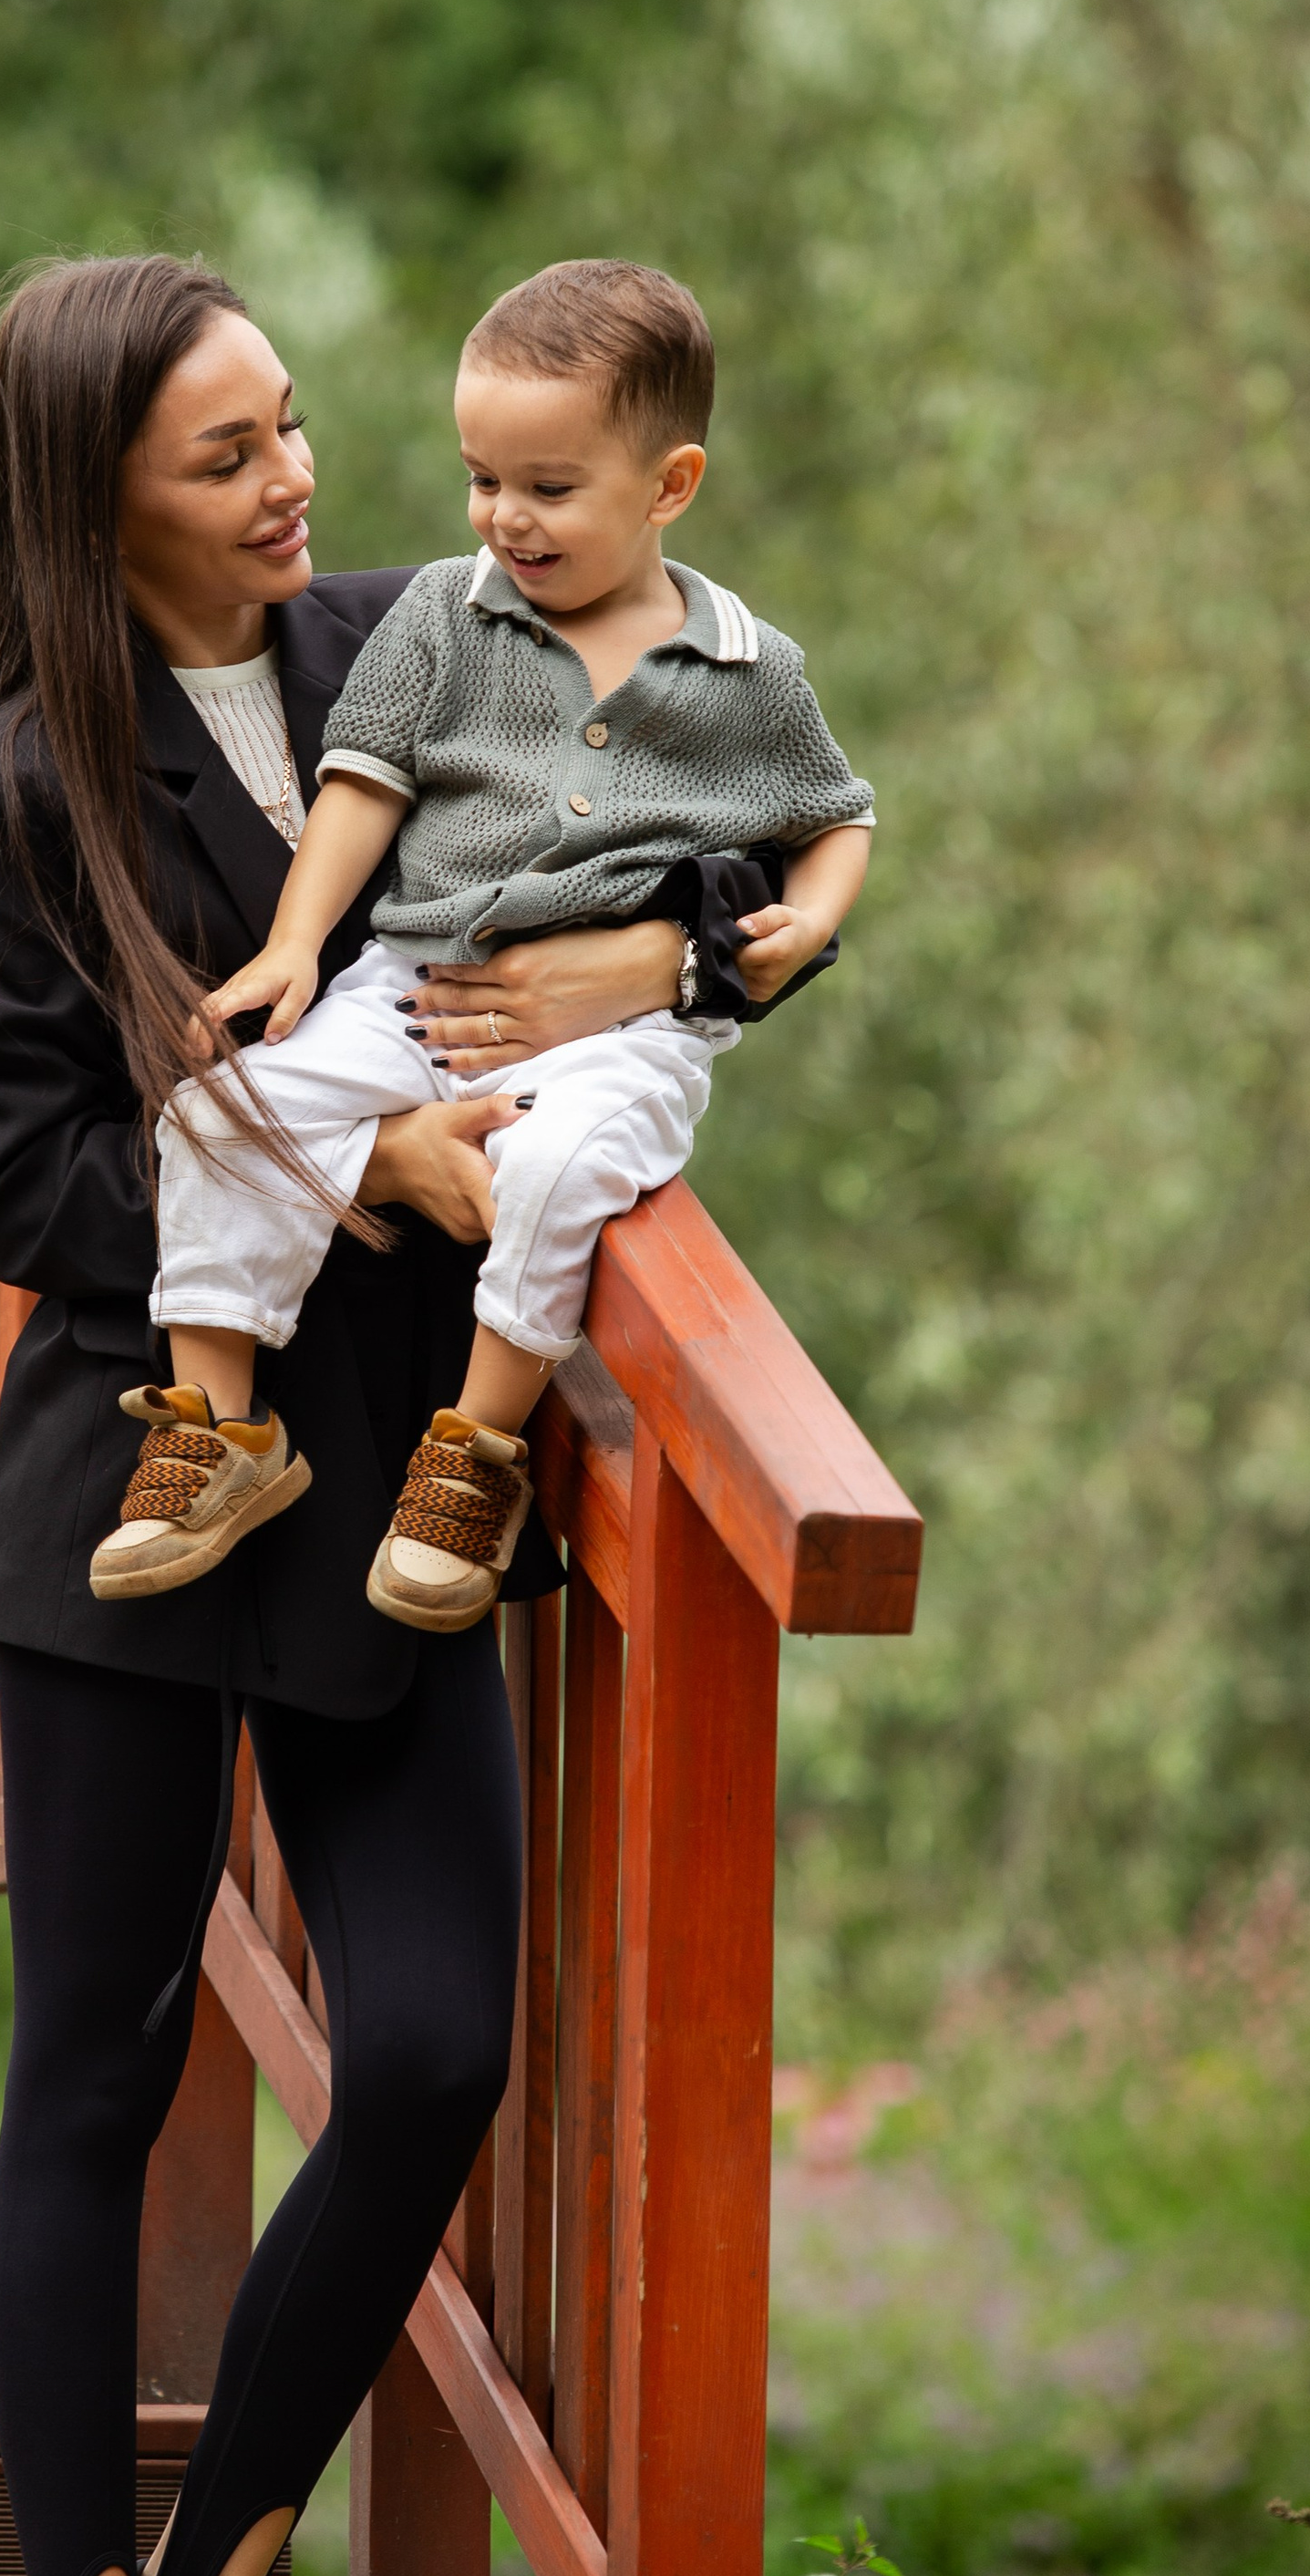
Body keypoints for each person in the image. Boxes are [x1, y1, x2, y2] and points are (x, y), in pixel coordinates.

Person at [0, 252, 737, 2576]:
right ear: (99, 494)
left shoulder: (440, 638)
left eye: (290, 426)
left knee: (437, 2048)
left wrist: (660, 957)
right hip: (145, 1489)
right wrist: (357, 1155)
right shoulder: (13, 792)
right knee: (98, 2076)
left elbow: (717, 803)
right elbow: (25, 1181)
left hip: (400, 1509)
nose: (299, 481)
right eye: (228, 452)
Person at [92, 259, 874, 1637]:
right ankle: (215, 1427)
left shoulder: (750, 670)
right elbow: (365, 779)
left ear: (670, 485)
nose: (505, 516)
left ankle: (476, 1450)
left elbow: (836, 817)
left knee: (561, 1167)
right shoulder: (448, 616)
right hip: (417, 982)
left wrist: (807, 919)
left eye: (548, 487)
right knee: (220, 1111)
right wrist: (295, 943)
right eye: (481, 478)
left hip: (630, 1035)